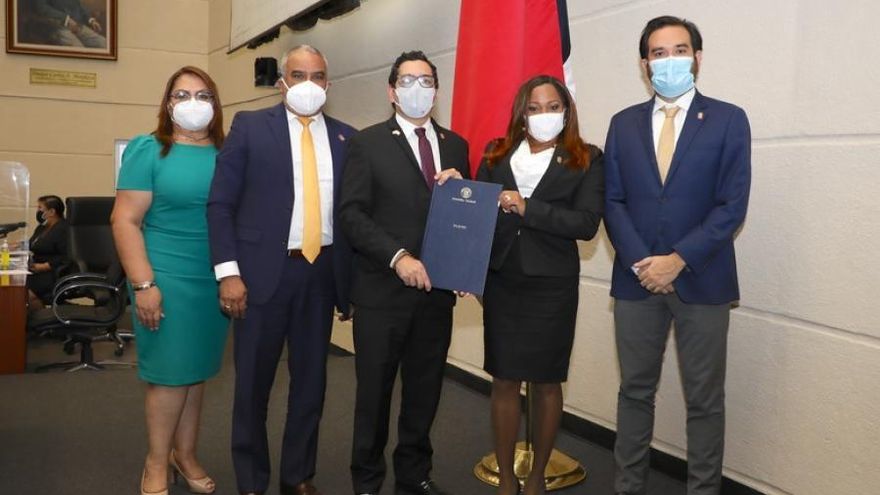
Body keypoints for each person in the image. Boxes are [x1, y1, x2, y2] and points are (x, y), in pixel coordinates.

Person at [604, 16, 751, 495]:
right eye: (659, 53)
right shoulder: (622, 124)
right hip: (636, 280)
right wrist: (644, 263)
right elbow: (613, 201)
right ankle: (628, 487)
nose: (669, 61)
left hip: (704, 280)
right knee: (634, 393)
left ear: (698, 58)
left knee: (705, 401)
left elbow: (732, 206)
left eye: (680, 50)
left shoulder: (729, 119)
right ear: (645, 64)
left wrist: (678, 260)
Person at [206, 44, 356, 495]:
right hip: (260, 276)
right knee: (253, 385)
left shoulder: (348, 138)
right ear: (281, 82)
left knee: (311, 385)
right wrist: (228, 273)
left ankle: (298, 476)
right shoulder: (250, 127)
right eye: (298, 74)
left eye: (317, 76)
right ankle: (252, 481)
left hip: (320, 274)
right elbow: (220, 204)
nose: (309, 84)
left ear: (328, 84)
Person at [339, 50, 470, 495]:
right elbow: (352, 214)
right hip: (382, 291)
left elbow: (463, 216)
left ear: (437, 90)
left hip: (436, 295)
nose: (418, 89)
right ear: (392, 91)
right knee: (373, 395)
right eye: (408, 81)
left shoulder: (456, 145)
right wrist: (397, 257)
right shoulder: (367, 143)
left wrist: (463, 264)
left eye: (426, 81)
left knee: (424, 390)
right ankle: (367, 480)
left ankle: (414, 474)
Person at [476, 75, 604, 495]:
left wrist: (528, 207)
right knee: (503, 379)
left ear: (566, 112)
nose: (543, 115)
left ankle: (535, 479)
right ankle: (507, 479)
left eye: (552, 107)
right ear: (521, 114)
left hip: (552, 285)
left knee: (547, 381)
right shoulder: (496, 153)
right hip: (502, 280)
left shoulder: (586, 157)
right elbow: (475, 217)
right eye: (533, 108)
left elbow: (586, 223)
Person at [111, 66, 228, 495]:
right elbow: (124, 220)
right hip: (163, 275)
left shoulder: (226, 153)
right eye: (181, 95)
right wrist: (143, 285)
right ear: (167, 103)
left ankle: (186, 453)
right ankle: (156, 461)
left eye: (203, 95)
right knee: (169, 374)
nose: (193, 103)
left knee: (195, 372)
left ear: (216, 104)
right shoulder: (149, 150)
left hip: (212, 277)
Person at [26, 195, 69, 310]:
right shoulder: (42, 228)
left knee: (24, 290)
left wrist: (44, 266)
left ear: (52, 212)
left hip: (52, 272)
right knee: (17, 283)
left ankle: (42, 317)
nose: (37, 211)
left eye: (40, 208)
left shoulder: (63, 229)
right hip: (35, 270)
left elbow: (66, 257)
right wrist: (12, 246)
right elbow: (31, 244)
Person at [33, 0, 107, 48]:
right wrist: (66, 19)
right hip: (57, 27)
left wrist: (90, 20)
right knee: (79, 50)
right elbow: (42, 8)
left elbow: (79, 6)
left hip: (78, 25)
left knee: (104, 43)